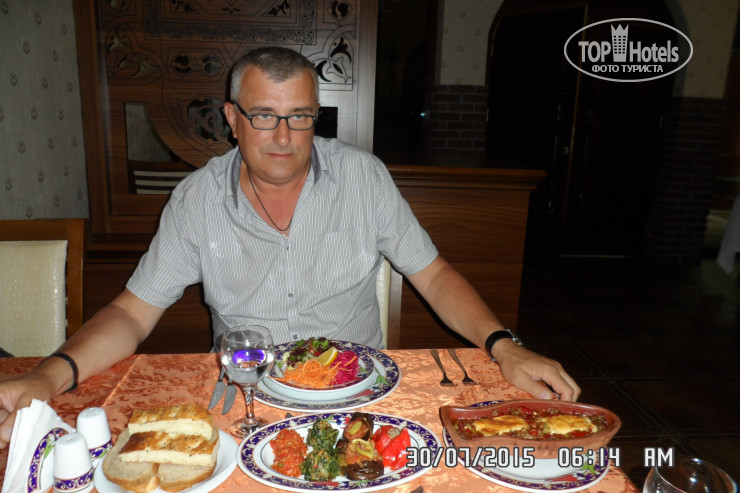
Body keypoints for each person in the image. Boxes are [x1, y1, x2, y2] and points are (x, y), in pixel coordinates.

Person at [0, 47, 579, 448]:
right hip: (245, 403)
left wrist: (505, 347)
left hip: (358, 400)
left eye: (300, 117)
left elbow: (433, 273)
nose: (283, 137)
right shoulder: (196, 200)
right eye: (264, 116)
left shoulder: (364, 178)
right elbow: (131, 313)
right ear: (232, 119)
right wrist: (47, 377)